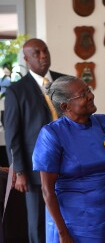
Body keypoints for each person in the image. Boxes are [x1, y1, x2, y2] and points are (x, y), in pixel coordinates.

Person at [32, 76, 105, 243]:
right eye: (83, 94)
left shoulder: (103, 123)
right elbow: (47, 191)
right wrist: (62, 233)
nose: (91, 95)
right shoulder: (52, 134)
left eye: (89, 90)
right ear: (65, 106)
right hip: (71, 225)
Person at [4, 38, 66, 243]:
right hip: (34, 170)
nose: (43, 55)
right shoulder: (16, 91)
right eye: (36, 53)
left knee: (67, 217)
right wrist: (19, 171)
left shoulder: (65, 82)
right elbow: (13, 136)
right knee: (38, 222)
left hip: (68, 163)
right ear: (26, 58)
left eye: (45, 50)